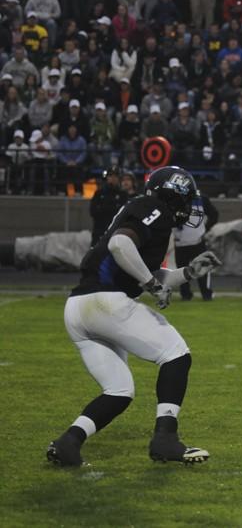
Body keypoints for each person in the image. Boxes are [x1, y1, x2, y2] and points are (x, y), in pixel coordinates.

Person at [46, 166, 222, 467]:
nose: (188, 208)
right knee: (176, 354)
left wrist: (188, 273)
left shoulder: (144, 211)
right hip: (105, 301)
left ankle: (68, 443)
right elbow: (120, 246)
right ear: (172, 196)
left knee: (119, 391)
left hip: (79, 308)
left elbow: (143, 268)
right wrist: (152, 286)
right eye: (185, 199)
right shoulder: (153, 208)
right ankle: (165, 438)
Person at [173, 193, 219, 301]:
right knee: (184, 271)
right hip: (182, 241)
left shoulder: (200, 199)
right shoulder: (173, 199)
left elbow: (214, 215)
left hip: (194, 240)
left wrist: (204, 229)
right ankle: (189, 294)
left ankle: (202, 294)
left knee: (199, 269)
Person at [89, 167, 127, 246]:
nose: (113, 178)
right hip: (100, 230)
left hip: (116, 230)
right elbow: (93, 211)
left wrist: (104, 209)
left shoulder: (123, 194)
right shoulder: (99, 193)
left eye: (115, 176)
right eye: (110, 176)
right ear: (107, 178)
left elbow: (123, 213)